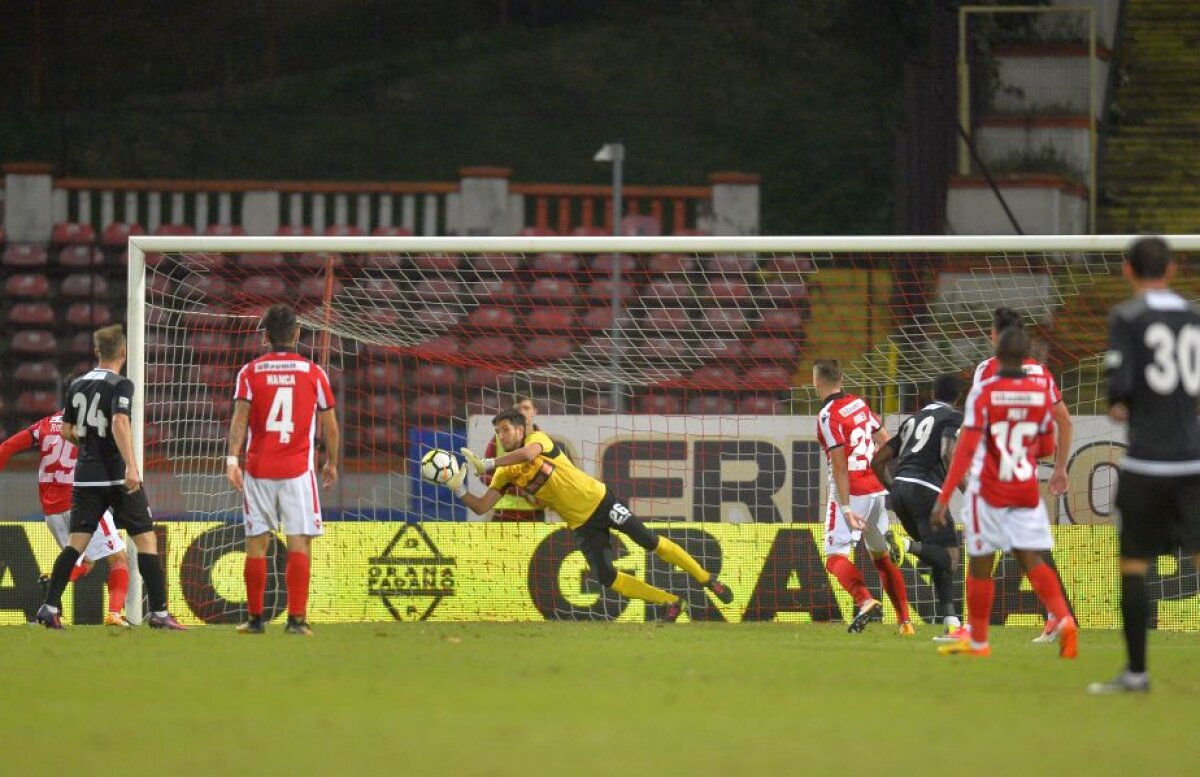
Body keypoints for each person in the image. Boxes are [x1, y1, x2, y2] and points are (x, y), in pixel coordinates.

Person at [450, 409, 733, 620]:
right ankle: (671, 601)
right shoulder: (504, 473)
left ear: (521, 429)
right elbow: (482, 506)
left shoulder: (538, 439)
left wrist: (487, 462)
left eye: (505, 429)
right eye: (498, 432)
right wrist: (457, 487)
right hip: (581, 524)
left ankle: (708, 579)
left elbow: (528, 455)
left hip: (601, 501)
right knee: (606, 576)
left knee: (648, 540)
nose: (501, 435)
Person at [1089, 237, 1200, 693]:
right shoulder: (1195, 316)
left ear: (1128, 271)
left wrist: (1127, 407)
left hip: (1147, 464)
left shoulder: (1127, 318)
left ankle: (1136, 673)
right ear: (1172, 269)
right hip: (1193, 461)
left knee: (1133, 564)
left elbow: (1119, 397)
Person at [932, 326, 1077, 659]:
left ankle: (979, 641)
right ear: (1027, 354)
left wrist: (944, 497)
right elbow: (1045, 445)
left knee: (981, 563)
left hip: (991, 489)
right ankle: (1064, 619)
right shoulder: (1039, 394)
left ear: (996, 351)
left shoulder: (985, 392)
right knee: (1032, 558)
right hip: (1025, 488)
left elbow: (965, 449)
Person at [35, 324, 185, 630]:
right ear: (122, 352)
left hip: (85, 478)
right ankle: (158, 613)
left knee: (75, 545)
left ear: (96, 351)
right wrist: (131, 465)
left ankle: (49, 607)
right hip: (117, 478)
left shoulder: (76, 385)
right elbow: (119, 421)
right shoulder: (121, 384)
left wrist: (89, 444)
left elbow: (66, 431)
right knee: (145, 539)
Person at [227, 304, 339, 636]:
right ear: (297, 334)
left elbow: (239, 419)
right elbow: (330, 425)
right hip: (297, 471)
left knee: (256, 542)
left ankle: (256, 619)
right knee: (299, 541)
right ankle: (296, 620)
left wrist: (232, 460)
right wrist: (331, 462)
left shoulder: (249, 372)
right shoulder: (314, 372)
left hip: (259, 469)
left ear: (265, 337)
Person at [971, 307, 1074, 643]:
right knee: (1027, 549)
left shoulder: (986, 371)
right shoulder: (1042, 373)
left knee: (983, 553)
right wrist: (1059, 469)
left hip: (991, 478)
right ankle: (1057, 616)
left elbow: (974, 427)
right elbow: (1064, 421)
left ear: (994, 335)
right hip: (1024, 474)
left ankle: (974, 631)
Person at [0, 408, 132, 627]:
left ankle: (52, 597)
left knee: (85, 562)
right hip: (82, 503)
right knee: (119, 558)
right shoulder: (92, 424)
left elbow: (8, 446)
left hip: (52, 510)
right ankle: (114, 613)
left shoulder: (44, 424)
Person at [812, 359, 913, 634]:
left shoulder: (827, 416)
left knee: (835, 556)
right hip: (876, 490)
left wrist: (845, 507)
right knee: (881, 558)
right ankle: (905, 622)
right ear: (842, 379)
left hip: (853, 491)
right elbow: (886, 441)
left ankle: (865, 600)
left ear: (816, 382)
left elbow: (839, 464)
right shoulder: (859, 403)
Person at [870, 373, 966, 641]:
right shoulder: (952, 417)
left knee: (938, 554)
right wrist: (965, 489)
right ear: (958, 397)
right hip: (926, 491)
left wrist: (895, 489)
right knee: (951, 558)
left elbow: (878, 461)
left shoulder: (913, 420)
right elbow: (948, 453)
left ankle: (951, 622)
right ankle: (906, 546)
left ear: (932, 393)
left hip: (900, 490)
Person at [482, 395, 549, 521]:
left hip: (535, 514)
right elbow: (484, 475)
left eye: (526, 408)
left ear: (535, 411)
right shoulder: (498, 440)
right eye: (518, 409)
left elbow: (551, 477)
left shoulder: (545, 442)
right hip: (504, 513)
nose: (522, 412)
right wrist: (516, 489)